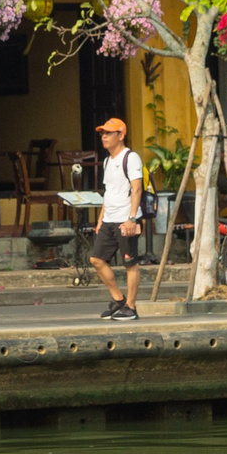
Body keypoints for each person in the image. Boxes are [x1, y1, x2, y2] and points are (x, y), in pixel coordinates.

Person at [89, 117, 145, 321]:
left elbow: (137, 188)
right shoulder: (107, 160)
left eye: (108, 133)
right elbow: (109, 191)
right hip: (109, 219)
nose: (103, 137)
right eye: (102, 133)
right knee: (96, 259)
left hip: (125, 219)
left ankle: (131, 307)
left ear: (120, 135)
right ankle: (118, 299)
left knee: (130, 263)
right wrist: (100, 219)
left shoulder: (130, 158)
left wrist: (132, 218)